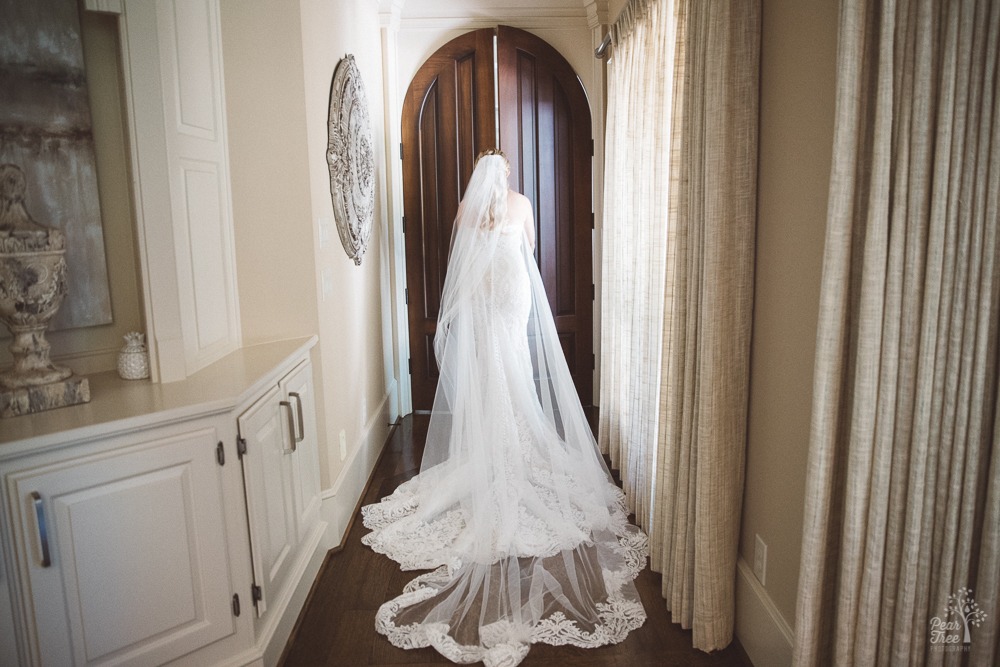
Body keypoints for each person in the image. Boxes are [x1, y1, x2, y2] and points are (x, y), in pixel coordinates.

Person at [362, 149, 647, 667]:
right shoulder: (522, 203)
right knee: (514, 364)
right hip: (514, 291)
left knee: (492, 369)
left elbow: (460, 266)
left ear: (476, 175)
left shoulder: (466, 211)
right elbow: (531, 251)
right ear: (507, 173)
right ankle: (517, 443)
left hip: (486, 295)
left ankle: (496, 446)